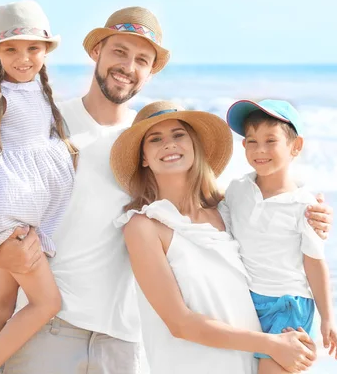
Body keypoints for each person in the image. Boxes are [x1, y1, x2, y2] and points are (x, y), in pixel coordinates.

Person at [0, 6, 333, 374]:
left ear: (150, 72)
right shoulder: (48, 125)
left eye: (142, 60)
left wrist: (308, 211)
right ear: (96, 50)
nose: (128, 67)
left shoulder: (150, 139)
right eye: (119, 52)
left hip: (125, 341)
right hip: (52, 331)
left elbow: (230, 211)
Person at [111, 100, 320, 373]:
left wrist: (316, 213)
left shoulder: (228, 209)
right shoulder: (143, 226)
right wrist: (271, 344)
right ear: (143, 158)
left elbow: (284, 238)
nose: (169, 144)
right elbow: (180, 323)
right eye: (155, 139)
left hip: (250, 365)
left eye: (179, 135)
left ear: (195, 146)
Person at [0, 0, 77, 374]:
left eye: (33, 48)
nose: (23, 59)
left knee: (0, 308)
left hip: (24, 213)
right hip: (3, 214)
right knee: (46, 303)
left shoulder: (42, 91)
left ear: (47, 50)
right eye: (11, 49)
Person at [222, 99, 337, 374]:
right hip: (247, 301)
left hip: (288, 305)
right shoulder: (237, 189)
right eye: (252, 141)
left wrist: (328, 319)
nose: (260, 149)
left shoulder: (305, 206)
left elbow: (315, 263)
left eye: (271, 140)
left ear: (295, 146)